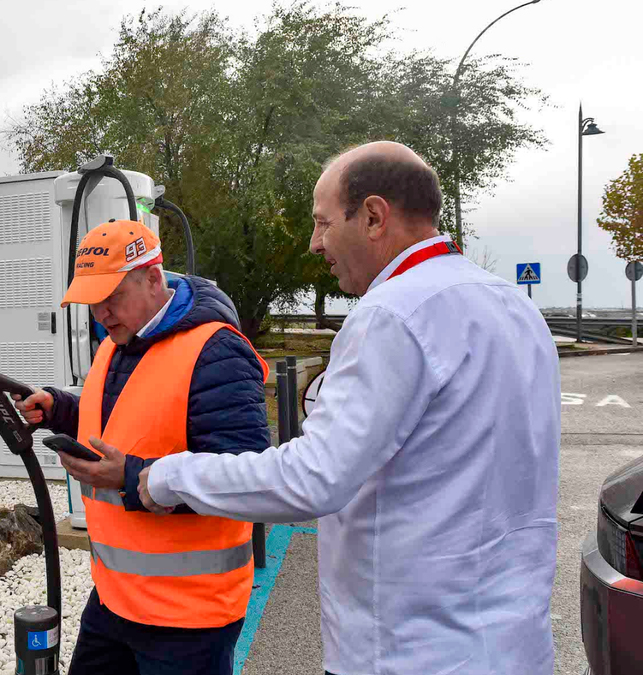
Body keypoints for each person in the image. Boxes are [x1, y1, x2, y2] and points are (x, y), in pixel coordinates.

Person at [138, 141, 561, 675]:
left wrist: (166, 476)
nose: (315, 243)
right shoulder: (515, 309)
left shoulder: (393, 315)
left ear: (374, 216)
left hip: (409, 651)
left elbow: (312, 479)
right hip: (515, 645)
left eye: (322, 222)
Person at [13, 219, 270, 675]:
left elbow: (245, 478)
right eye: (93, 303)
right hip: (115, 599)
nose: (102, 314)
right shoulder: (119, 342)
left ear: (154, 279)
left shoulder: (217, 352)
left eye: (113, 297)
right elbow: (123, 418)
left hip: (188, 615)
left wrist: (131, 477)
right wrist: (59, 409)